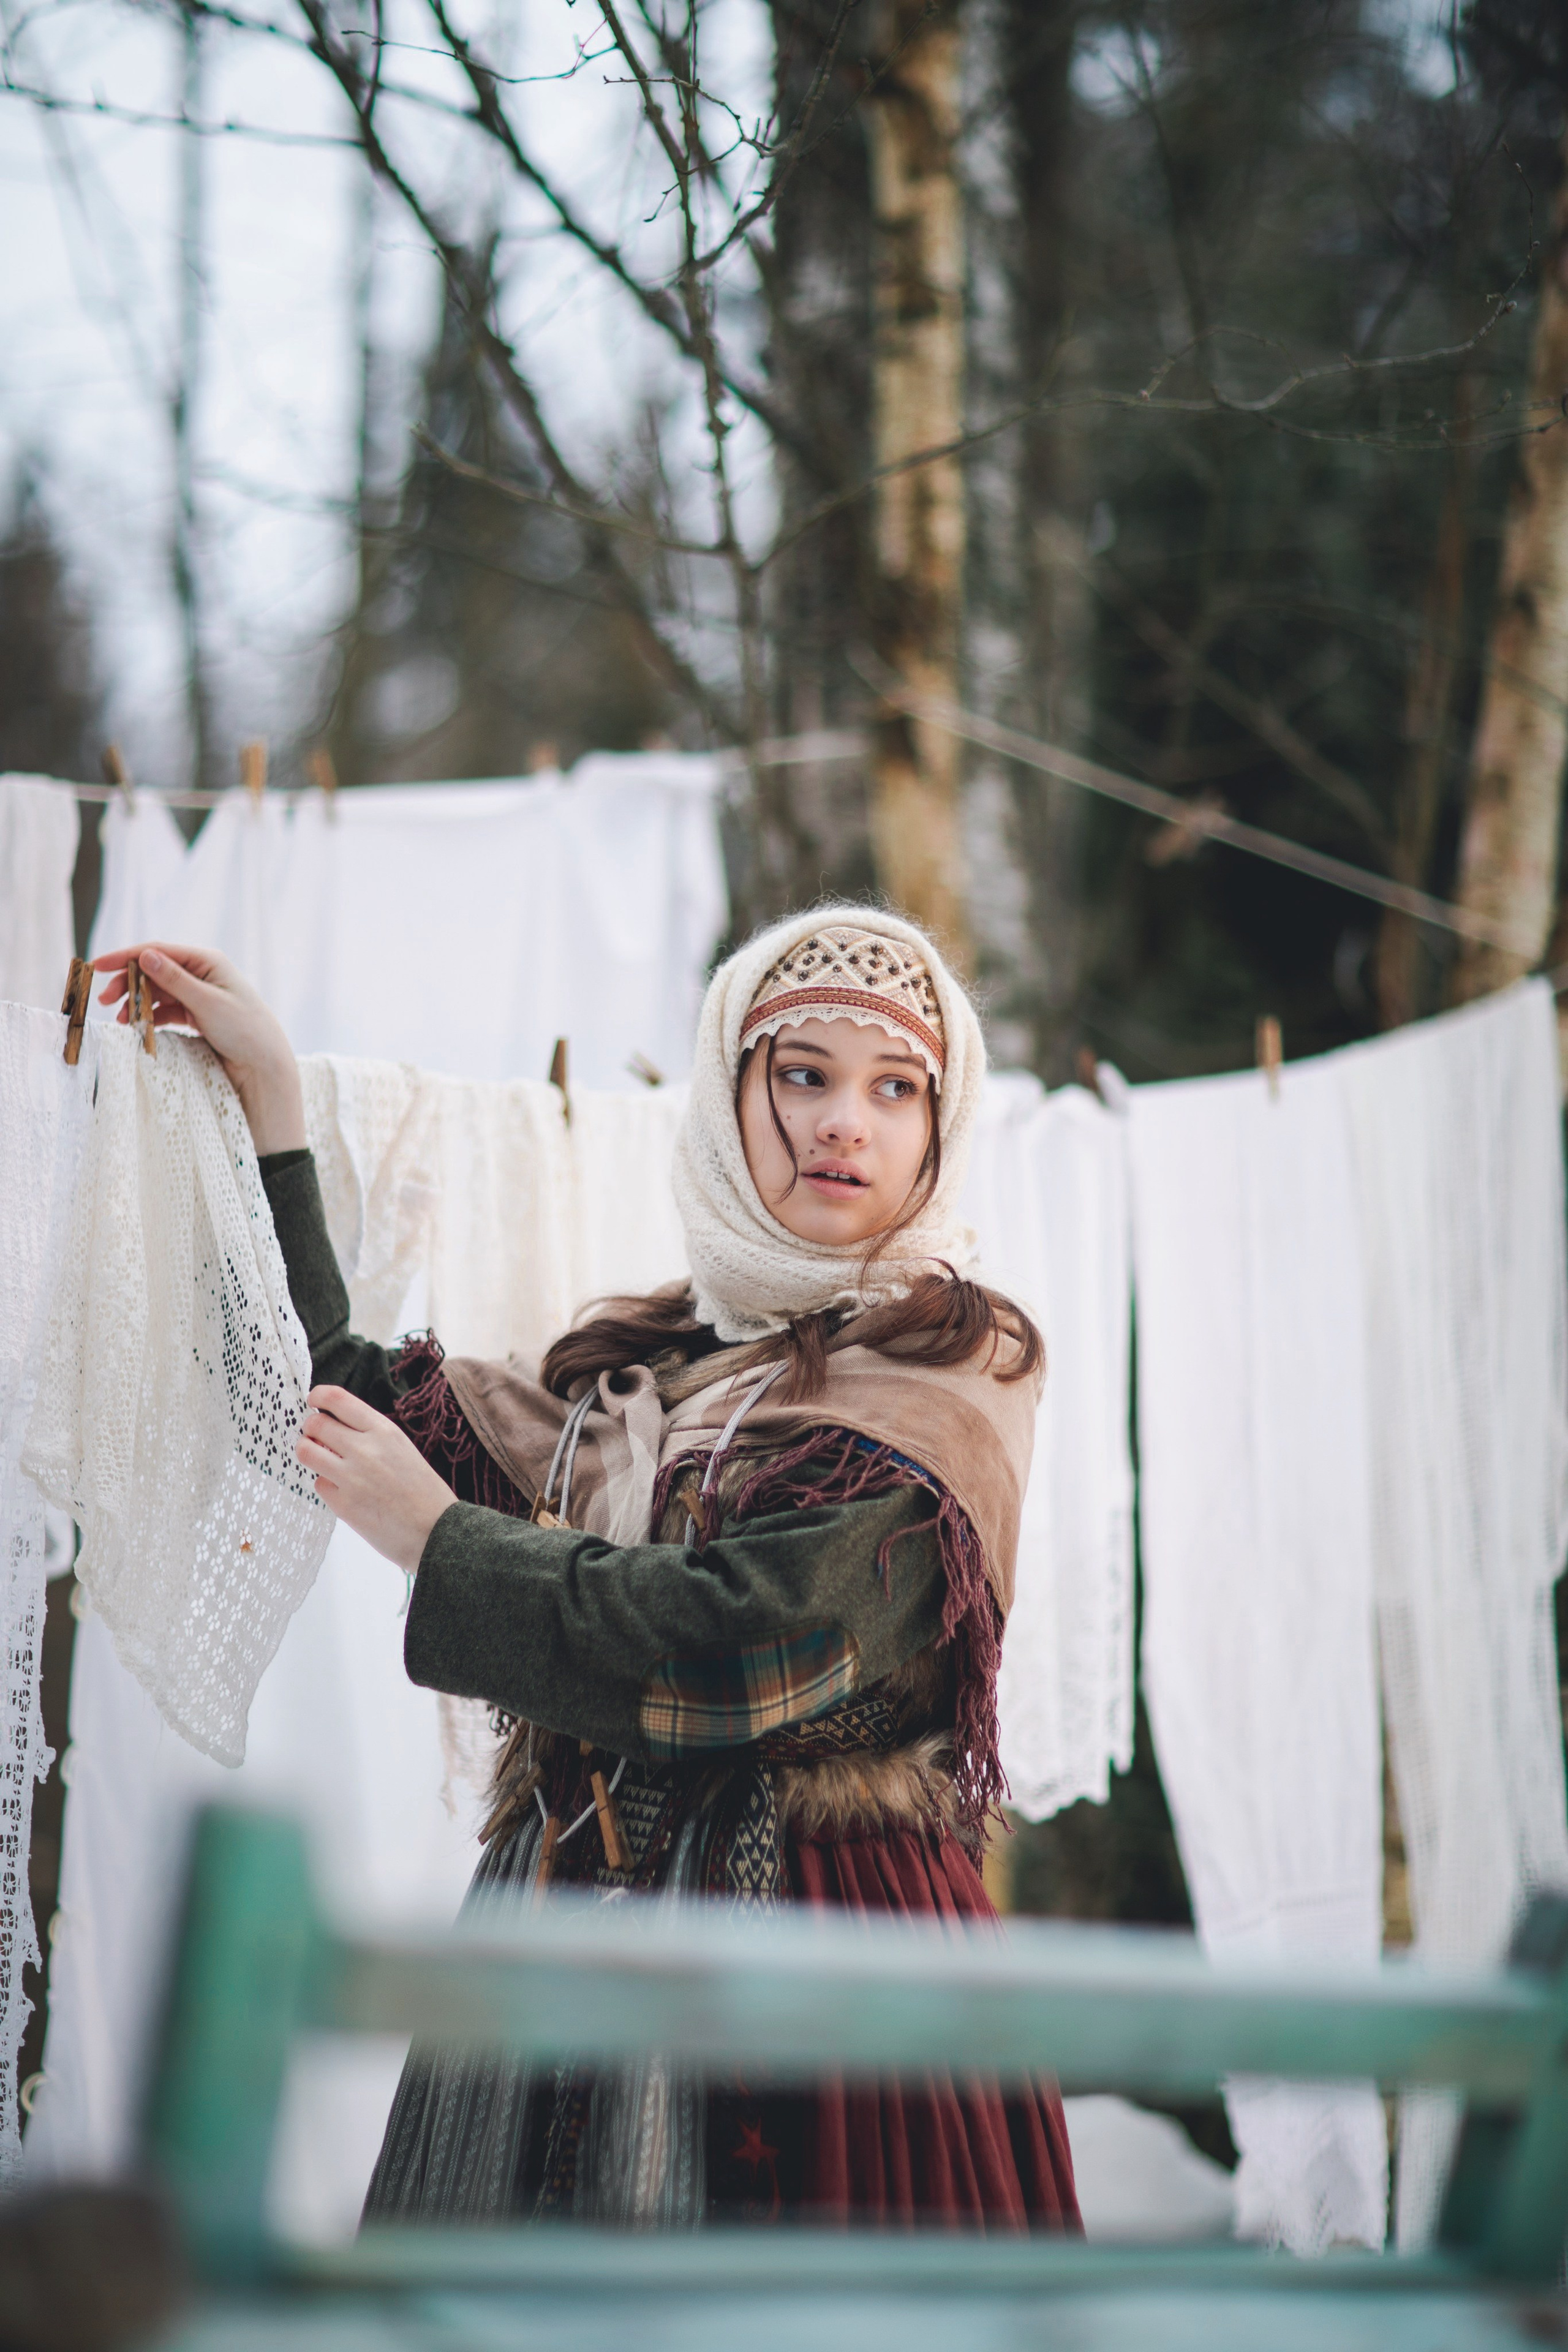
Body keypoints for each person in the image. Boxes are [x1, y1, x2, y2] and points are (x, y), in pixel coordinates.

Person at [94, 908, 1079, 2233]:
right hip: (555, 1926)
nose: (847, 1121)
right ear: (728, 1098)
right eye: (802, 1074)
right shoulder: (650, 1378)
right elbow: (325, 1393)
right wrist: (268, 1103)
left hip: (818, 1960)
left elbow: (746, 1643)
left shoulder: (948, 1375)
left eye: (894, 1089)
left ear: (938, 1129)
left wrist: (436, 1540)